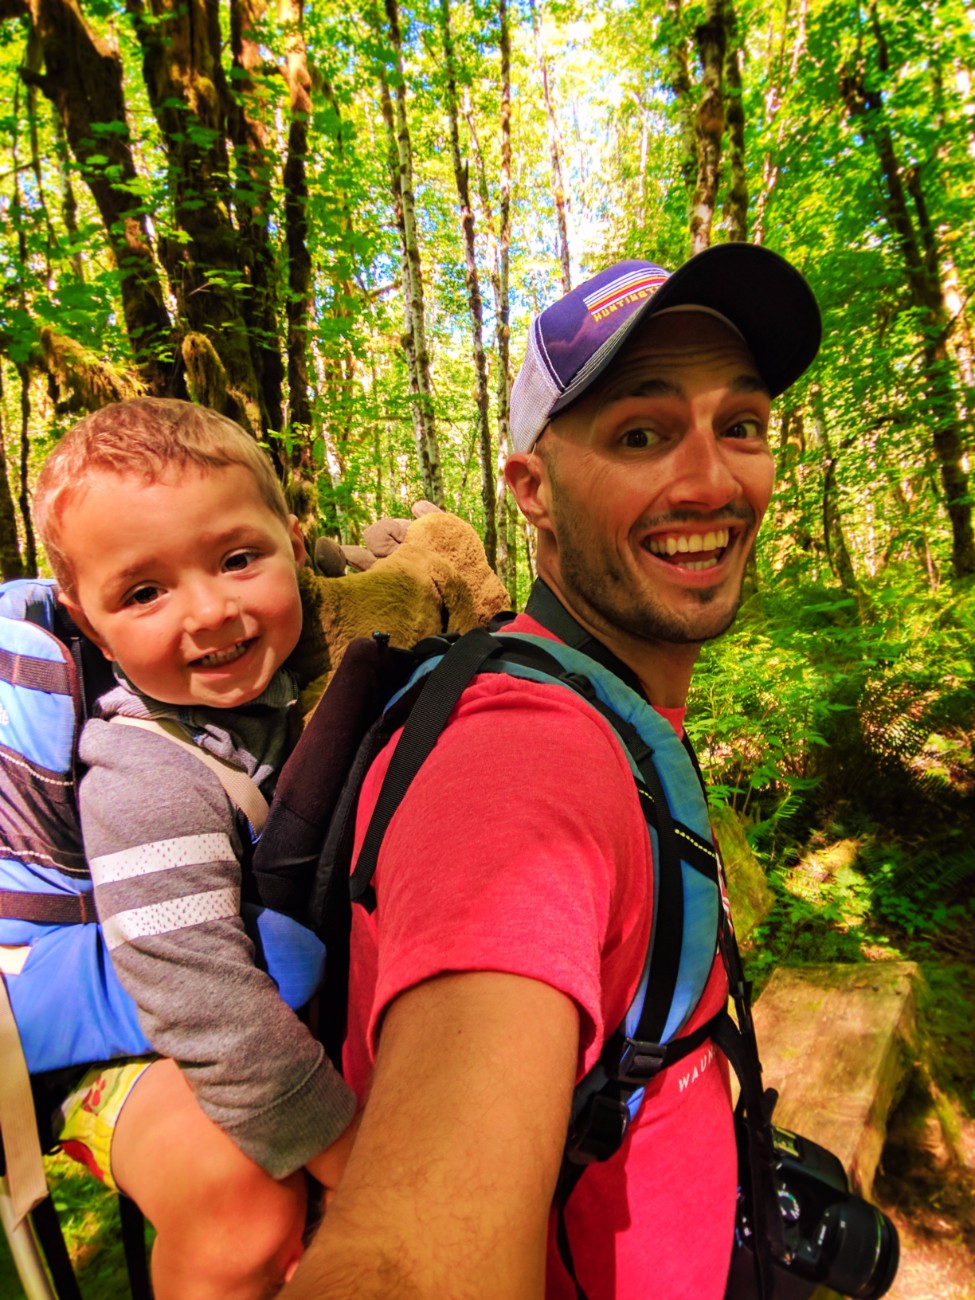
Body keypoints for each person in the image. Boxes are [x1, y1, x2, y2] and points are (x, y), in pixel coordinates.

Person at [289, 244, 821, 1298]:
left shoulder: (606, 703)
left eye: (741, 424)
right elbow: (414, 1259)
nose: (713, 480)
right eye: (640, 434)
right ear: (532, 488)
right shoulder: (524, 755)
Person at [32, 398, 357, 1299]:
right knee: (241, 1209)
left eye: (237, 559)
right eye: (144, 593)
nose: (211, 612)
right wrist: (354, 1160)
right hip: (121, 1056)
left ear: (295, 544)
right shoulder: (147, 776)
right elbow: (198, 1001)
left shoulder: (303, 699)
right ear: (88, 622)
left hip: (245, 1024)